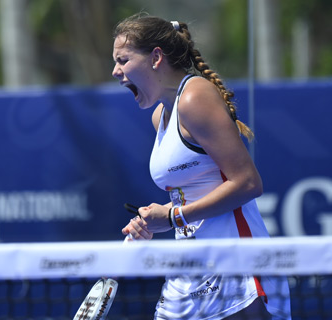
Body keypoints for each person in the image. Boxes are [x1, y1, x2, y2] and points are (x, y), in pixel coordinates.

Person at [112, 14, 291, 319]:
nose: (116, 71)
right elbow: (197, 189)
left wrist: (171, 216)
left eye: (123, 60)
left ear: (156, 57)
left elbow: (248, 183)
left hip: (236, 269)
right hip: (189, 271)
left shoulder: (194, 97)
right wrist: (155, 219)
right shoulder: (161, 117)